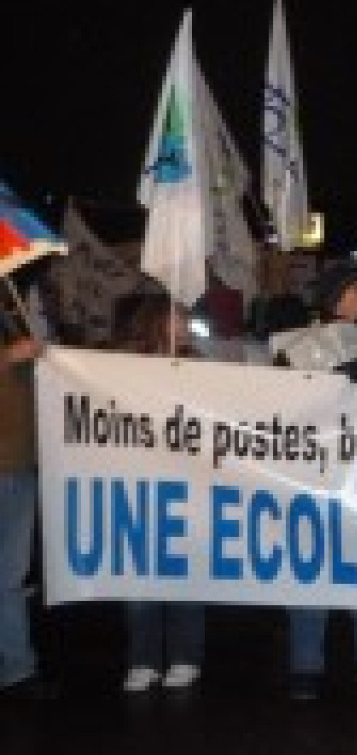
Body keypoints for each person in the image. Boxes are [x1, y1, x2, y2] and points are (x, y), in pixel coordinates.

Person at [270, 259, 357, 701]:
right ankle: (305, 666)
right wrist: (331, 386)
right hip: (311, 474)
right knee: (311, 567)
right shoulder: (293, 347)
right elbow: (279, 405)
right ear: (335, 297)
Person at [110, 290, 208, 692]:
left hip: (187, 486)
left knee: (185, 574)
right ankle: (143, 660)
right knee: (139, 578)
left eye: (186, 321)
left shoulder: (200, 368)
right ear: (154, 324)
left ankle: (185, 656)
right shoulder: (119, 367)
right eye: (177, 321)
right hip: (138, 485)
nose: (185, 328)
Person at [0, 328, 56, 701]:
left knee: (11, 575)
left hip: (19, 468)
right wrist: (7, 358)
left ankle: (18, 664)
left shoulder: (10, 321)